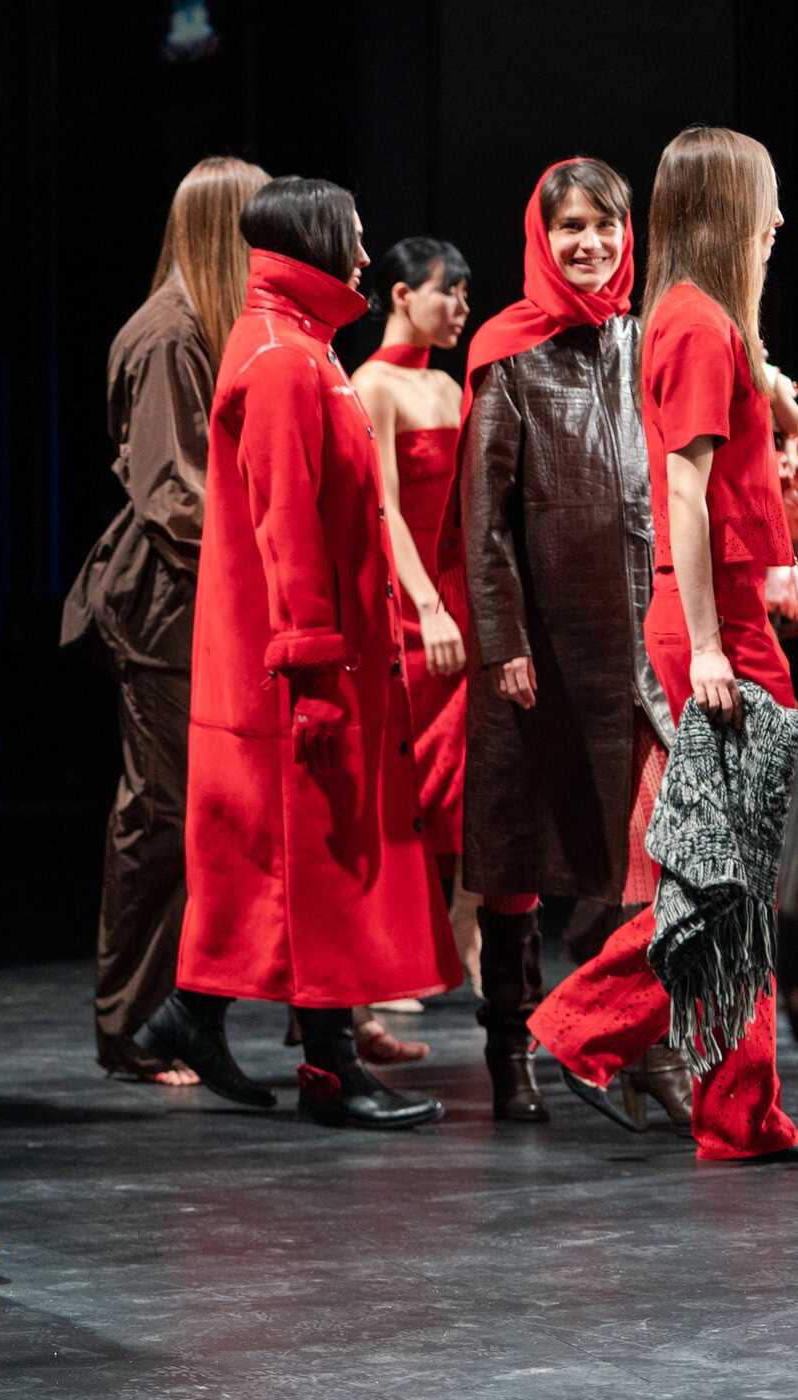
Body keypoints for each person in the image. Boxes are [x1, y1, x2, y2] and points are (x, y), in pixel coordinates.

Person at [135, 177, 459, 1131]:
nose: (362, 257)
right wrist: (314, 671)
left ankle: (192, 1017)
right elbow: (290, 529)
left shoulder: (299, 345)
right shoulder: (283, 359)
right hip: (299, 669)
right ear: (315, 243)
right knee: (318, 864)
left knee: (300, 863)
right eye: (351, 239)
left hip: (308, 660)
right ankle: (326, 1068)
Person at [530, 127, 795, 1161]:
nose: (777, 223)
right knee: (719, 876)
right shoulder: (694, 325)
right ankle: (580, 1026)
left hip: (726, 615)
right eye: (765, 203)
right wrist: (716, 646)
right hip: (711, 626)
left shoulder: (705, 321)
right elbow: (682, 494)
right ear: (729, 209)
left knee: (735, 880)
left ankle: (738, 1109)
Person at [457, 158, 681, 1125]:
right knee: (517, 862)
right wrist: (502, 638)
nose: (589, 243)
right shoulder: (508, 351)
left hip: (638, 647)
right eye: (570, 227)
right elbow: (484, 520)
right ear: (541, 239)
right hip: (540, 651)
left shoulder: (647, 339)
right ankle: (510, 1050)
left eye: (605, 224)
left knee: (651, 853)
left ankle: (639, 1047)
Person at [62, 155, 268, 1086]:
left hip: (200, 601)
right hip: (165, 607)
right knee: (162, 812)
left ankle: (179, 1015)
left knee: (204, 817)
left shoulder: (211, 325)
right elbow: (171, 496)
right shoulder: (169, 333)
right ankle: (130, 1025)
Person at [346, 235, 476, 1065]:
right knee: (402, 790)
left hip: (459, 607)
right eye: (447, 292)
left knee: (466, 784)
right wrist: (426, 604)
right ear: (400, 295)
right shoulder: (374, 385)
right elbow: (384, 508)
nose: (460, 307)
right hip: (408, 611)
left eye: (464, 294)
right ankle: (369, 976)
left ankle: (459, 937)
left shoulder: (449, 386)